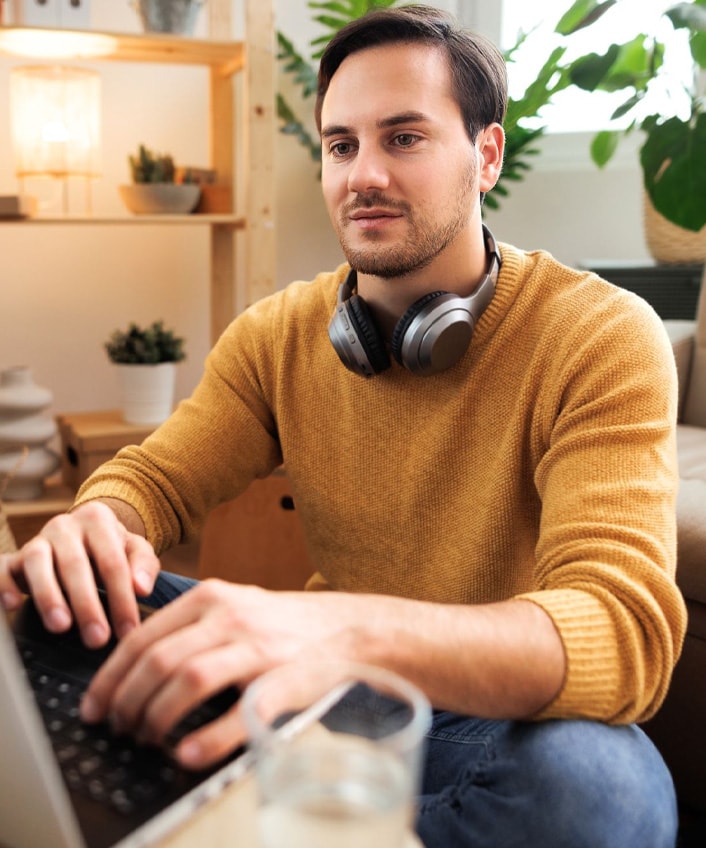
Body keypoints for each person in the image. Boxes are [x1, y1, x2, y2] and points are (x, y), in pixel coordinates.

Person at [0, 5, 687, 846]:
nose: (362, 174)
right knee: (43, 600)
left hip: (492, 721)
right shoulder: (277, 336)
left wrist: (345, 629)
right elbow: (154, 480)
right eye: (341, 144)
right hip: (315, 697)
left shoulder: (599, 335)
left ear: (487, 155)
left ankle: (254, 814)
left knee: (604, 790)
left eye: (404, 138)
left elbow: (623, 632)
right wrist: (94, 528)